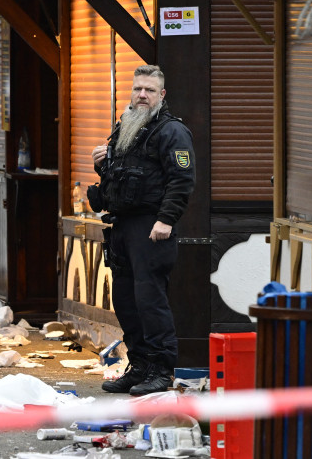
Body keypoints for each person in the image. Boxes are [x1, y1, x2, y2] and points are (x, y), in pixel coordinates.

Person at [89, 64, 194, 396]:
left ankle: (161, 371)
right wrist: (102, 164)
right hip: (122, 227)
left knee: (150, 301)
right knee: (126, 301)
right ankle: (140, 368)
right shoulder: (126, 128)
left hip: (151, 228)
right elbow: (124, 177)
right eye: (138, 89)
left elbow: (182, 180)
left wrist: (166, 220)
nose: (142, 95)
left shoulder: (171, 131)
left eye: (149, 90)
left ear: (161, 95)